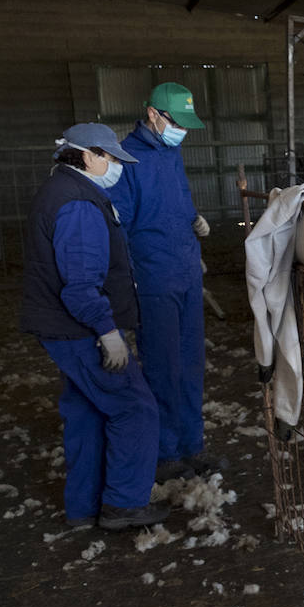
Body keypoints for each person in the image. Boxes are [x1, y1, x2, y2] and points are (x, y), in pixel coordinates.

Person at [20, 123, 167, 530]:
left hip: (60, 328)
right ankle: (124, 503)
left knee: (86, 411)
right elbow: (81, 286)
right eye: (110, 157)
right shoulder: (79, 203)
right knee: (135, 408)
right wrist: (107, 332)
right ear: (87, 156)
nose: (116, 165)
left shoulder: (60, 191)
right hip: (79, 329)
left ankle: (83, 509)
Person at [111, 82, 222, 482]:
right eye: (177, 123)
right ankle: (165, 451)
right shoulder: (126, 161)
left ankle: (193, 444)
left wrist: (193, 218)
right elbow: (119, 224)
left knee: (192, 363)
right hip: (153, 277)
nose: (183, 132)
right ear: (153, 114)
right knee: (163, 365)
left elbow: (176, 198)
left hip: (186, 272)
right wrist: (126, 281)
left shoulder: (171, 152)